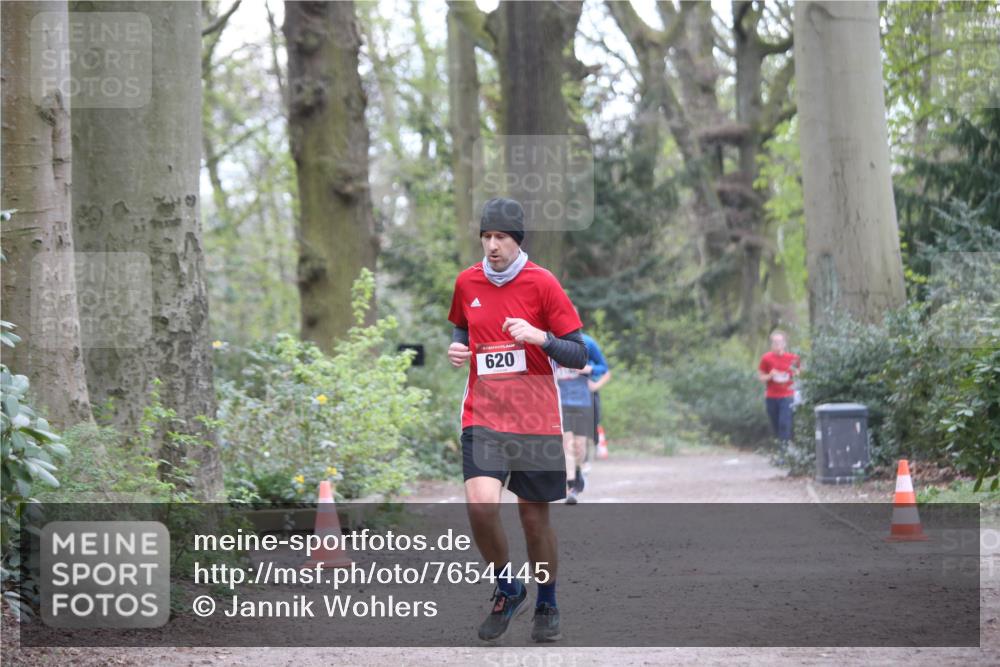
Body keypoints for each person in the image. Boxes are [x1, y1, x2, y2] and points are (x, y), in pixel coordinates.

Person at [447, 197, 586, 643]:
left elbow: (579, 354)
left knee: (533, 520)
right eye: (486, 237)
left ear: (517, 240)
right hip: (482, 414)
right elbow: (461, 327)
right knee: (480, 506)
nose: (492, 246)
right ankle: (508, 587)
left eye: (500, 238)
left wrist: (541, 337)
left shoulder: (542, 283)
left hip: (535, 417)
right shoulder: (466, 282)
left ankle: (547, 599)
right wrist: (457, 349)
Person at [556, 332, 610, 504]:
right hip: (561, 402)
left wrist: (590, 370)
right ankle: (571, 486)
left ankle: (579, 470)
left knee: (579, 445)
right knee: (567, 443)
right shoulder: (550, 343)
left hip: (582, 401)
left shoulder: (586, 343)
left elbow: (604, 369)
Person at [757, 329, 800, 445]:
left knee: (784, 423)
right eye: (774, 342)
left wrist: (790, 374)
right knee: (776, 425)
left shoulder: (793, 358)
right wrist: (771, 375)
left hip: (787, 395)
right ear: (771, 344)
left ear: (785, 343)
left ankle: (785, 453)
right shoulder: (766, 358)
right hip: (771, 396)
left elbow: (799, 374)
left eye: (779, 342)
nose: (777, 345)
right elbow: (761, 377)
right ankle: (782, 448)